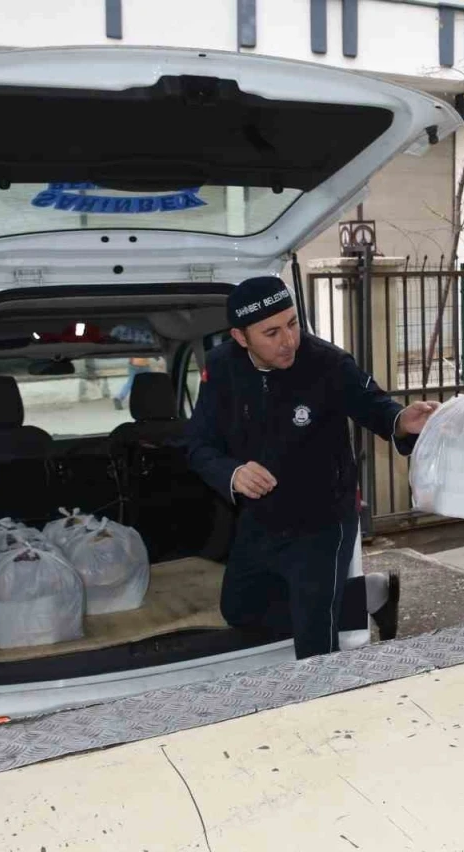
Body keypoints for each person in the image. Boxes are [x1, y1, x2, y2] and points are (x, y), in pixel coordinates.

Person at [186, 276, 439, 658]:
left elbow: (375, 406)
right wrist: (233, 473)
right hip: (259, 520)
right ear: (241, 337)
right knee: (238, 611)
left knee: (315, 640)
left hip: (321, 521)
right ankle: (369, 594)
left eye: (292, 324)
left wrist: (403, 420)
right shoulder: (221, 366)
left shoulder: (327, 363)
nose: (288, 340)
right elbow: (198, 445)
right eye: (271, 332)